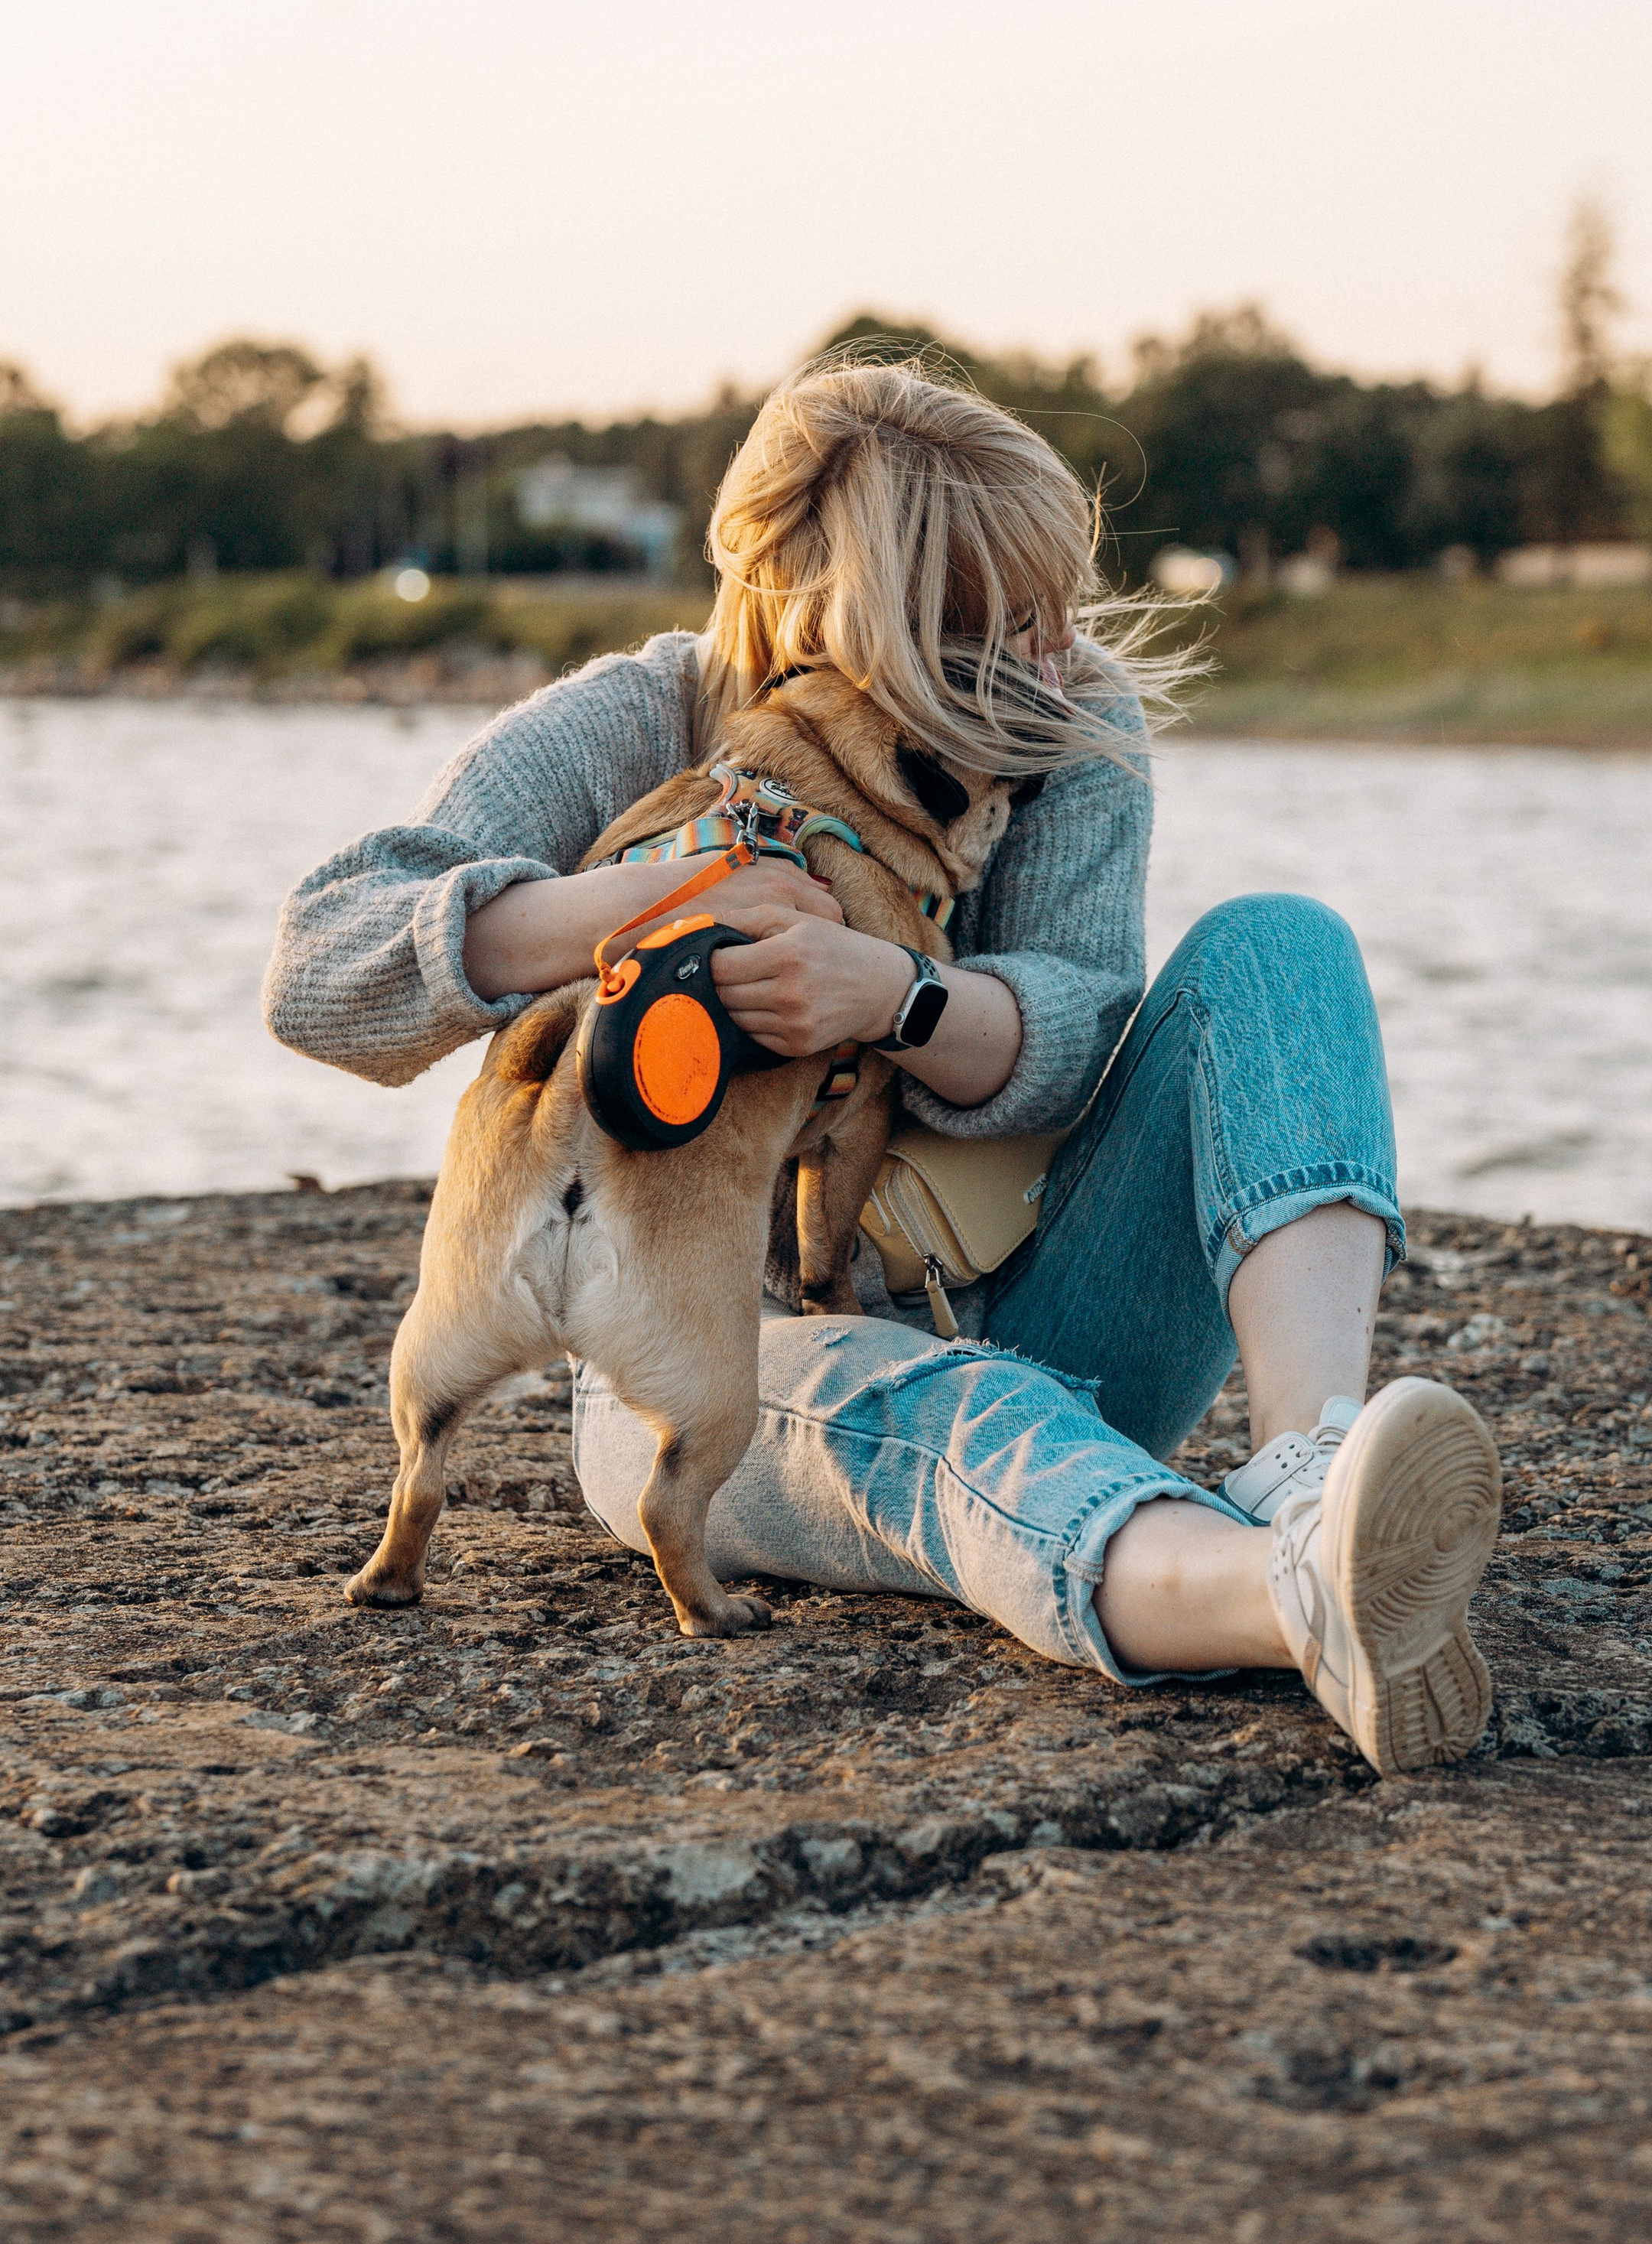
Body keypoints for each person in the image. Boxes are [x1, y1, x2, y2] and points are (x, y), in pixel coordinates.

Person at [265, 356, 1500, 1777]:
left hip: (1053, 1290)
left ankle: (1313, 1474)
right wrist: (662, 899)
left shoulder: (1067, 723)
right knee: (958, 1420)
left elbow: (1085, 1037)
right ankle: (1285, 1600)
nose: (1051, 663)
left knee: (1283, 947)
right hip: (708, 1365)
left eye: (1054, 613)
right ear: (841, 615)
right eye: (992, 629)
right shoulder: (646, 715)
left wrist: (898, 995)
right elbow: (319, 973)